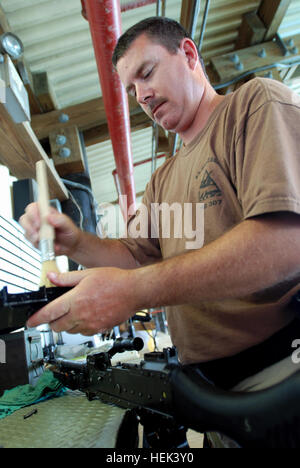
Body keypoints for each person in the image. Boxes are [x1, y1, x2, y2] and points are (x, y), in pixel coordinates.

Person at [21, 17, 300, 417]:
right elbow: (138, 258)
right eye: (131, 88)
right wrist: (75, 242)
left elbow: (286, 245)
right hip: (211, 392)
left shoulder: (254, 106)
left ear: (188, 54)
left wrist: (134, 291)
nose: (141, 96)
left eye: (146, 73)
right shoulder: (164, 179)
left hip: (280, 375)